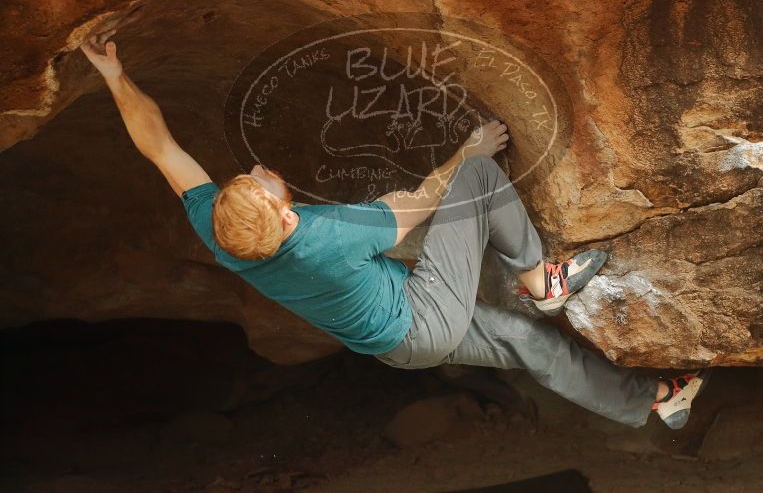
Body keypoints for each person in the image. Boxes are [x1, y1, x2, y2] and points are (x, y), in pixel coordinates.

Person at [80, 32, 709, 430]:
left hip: (394, 343)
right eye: (264, 182)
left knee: (531, 345)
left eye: (246, 177)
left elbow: (158, 146)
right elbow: (423, 199)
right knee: (474, 183)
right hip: (418, 315)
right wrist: (471, 150)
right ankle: (542, 279)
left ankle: (655, 399)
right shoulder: (323, 238)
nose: (258, 170)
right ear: (286, 217)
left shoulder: (225, 232)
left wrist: (114, 76)